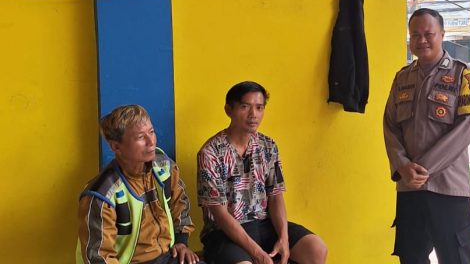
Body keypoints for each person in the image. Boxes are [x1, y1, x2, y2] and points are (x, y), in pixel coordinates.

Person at [384, 8, 470, 264]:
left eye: (429, 34)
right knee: (411, 256)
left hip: (448, 187)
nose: (422, 40)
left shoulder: (464, 75)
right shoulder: (402, 78)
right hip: (409, 187)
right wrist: (402, 166)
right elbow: (390, 126)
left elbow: (466, 129)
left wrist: (422, 169)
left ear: (442, 34)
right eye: (415, 35)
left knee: (459, 258)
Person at [197, 81, 327, 264]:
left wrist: (284, 239)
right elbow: (220, 214)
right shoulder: (210, 153)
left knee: (316, 248)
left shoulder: (268, 146)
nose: (253, 115)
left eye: (259, 108)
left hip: (264, 225)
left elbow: (276, 196)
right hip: (223, 232)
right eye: (245, 107)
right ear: (228, 110)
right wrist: (258, 254)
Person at [77, 105, 201, 264]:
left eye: (152, 132)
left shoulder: (164, 167)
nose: (151, 142)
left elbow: (180, 206)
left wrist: (181, 242)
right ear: (115, 146)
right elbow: (99, 257)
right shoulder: (101, 194)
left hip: (168, 256)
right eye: (140, 137)